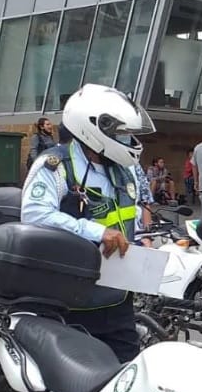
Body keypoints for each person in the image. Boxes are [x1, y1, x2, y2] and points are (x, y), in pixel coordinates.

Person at [20, 84, 155, 363]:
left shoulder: (123, 169)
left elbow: (128, 218)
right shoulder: (56, 165)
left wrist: (144, 240)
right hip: (72, 298)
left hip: (117, 296)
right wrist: (97, 231)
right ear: (92, 129)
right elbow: (35, 215)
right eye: (121, 134)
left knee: (126, 372)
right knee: (77, 381)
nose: (128, 141)